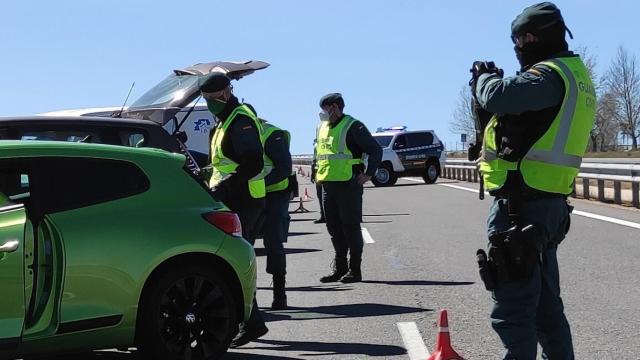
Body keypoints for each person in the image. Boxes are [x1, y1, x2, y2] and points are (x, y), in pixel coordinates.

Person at [471, 3, 596, 359]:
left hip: (521, 210)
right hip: (548, 205)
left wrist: (483, 79)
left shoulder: (548, 76)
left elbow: (499, 96)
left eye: (519, 40)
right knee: (545, 310)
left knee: (514, 312)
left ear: (530, 37)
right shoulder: (576, 75)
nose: (518, 48)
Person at [199, 72, 268, 347]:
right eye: (205, 100)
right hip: (230, 199)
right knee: (232, 261)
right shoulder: (224, 121)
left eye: (212, 99)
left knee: (237, 262)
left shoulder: (240, 120)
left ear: (226, 93)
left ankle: (251, 323)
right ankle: (252, 322)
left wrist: (225, 186)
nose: (209, 104)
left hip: (245, 200)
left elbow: (252, 163)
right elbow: (222, 163)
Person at [315, 93, 382, 283]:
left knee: (350, 227)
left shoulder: (353, 126)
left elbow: (375, 149)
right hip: (328, 184)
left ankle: (355, 270)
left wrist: (369, 173)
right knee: (333, 228)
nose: (322, 113)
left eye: (325, 109)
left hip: (348, 184)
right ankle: (340, 268)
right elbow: (321, 154)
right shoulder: (322, 128)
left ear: (335, 107)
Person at [260, 119, 293, 310]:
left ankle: (280, 294)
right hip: (247, 197)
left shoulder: (271, 134)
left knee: (273, 242)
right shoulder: (226, 131)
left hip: (274, 194)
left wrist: (257, 184)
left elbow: (284, 168)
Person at [311, 137, 325, 224]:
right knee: (321, 197)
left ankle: (324, 216)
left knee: (322, 197)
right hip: (319, 174)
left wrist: (313, 174)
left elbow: (314, 161)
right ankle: (324, 216)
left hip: (321, 174)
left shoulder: (317, 145)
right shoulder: (317, 146)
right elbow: (314, 160)